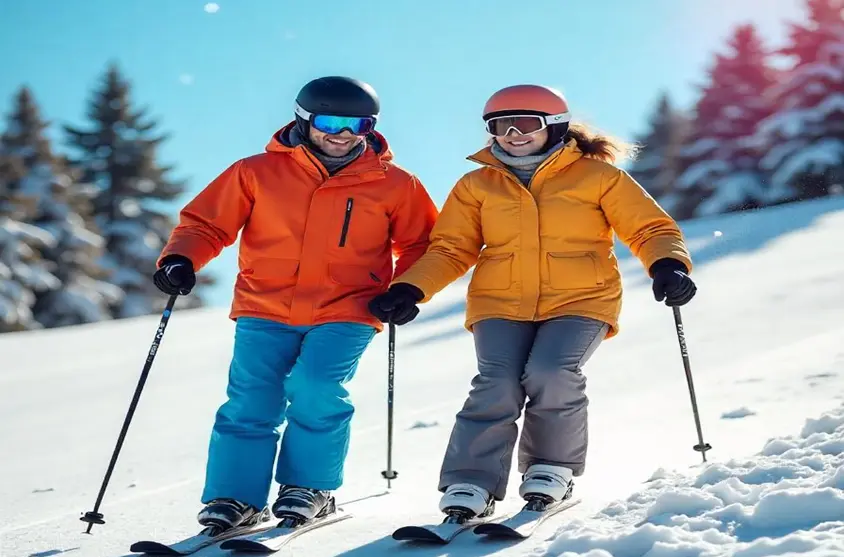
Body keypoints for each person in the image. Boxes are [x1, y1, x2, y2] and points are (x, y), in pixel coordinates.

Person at [368, 84, 696, 519]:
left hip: (581, 298)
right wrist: (412, 288)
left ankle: (550, 468)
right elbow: (450, 248)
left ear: (554, 126)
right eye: (500, 126)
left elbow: (649, 228)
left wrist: (668, 265)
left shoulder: (598, 176)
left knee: (552, 372)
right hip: (499, 301)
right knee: (496, 384)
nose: (513, 134)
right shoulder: (476, 185)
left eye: (526, 124)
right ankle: (471, 481)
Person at [152, 76, 439, 531]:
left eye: (357, 124)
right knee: (251, 400)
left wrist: (407, 288)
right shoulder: (255, 172)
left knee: (316, 387)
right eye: (330, 121)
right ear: (304, 119)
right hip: (265, 306)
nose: (342, 134)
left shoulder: (394, 184)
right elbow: (206, 224)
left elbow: (424, 243)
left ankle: (311, 488)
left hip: (348, 308)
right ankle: (236, 498)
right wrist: (181, 258)